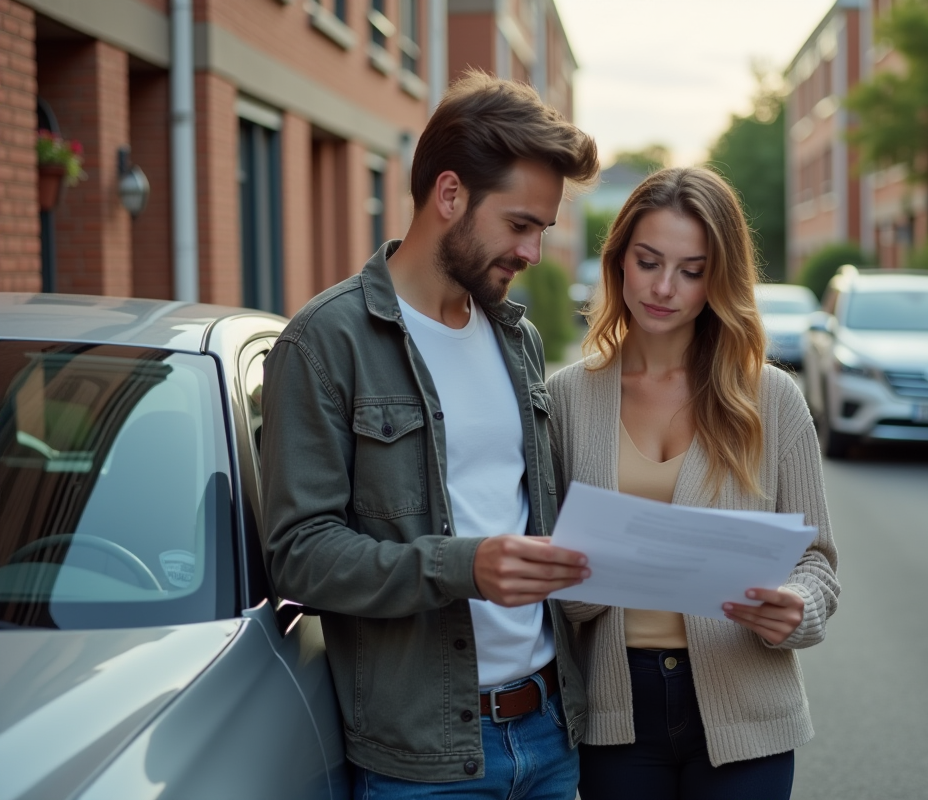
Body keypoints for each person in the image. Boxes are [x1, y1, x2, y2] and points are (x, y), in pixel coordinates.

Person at [259, 71, 599, 799]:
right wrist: (461, 567)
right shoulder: (325, 343)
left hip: (549, 732)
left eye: (541, 229)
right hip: (424, 759)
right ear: (449, 195)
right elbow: (298, 555)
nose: (533, 252)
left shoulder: (519, 339)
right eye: (521, 225)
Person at [547, 167, 841, 800]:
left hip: (747, 707)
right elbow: (541, 571)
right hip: (613, 712)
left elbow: (816, 564)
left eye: (691, 269)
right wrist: (583, 580)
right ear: (619, 259)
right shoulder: (565, 399)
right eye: (648, 261)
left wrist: (796, 608)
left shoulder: (772, 398)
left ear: (719, 278)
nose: (663, 287)